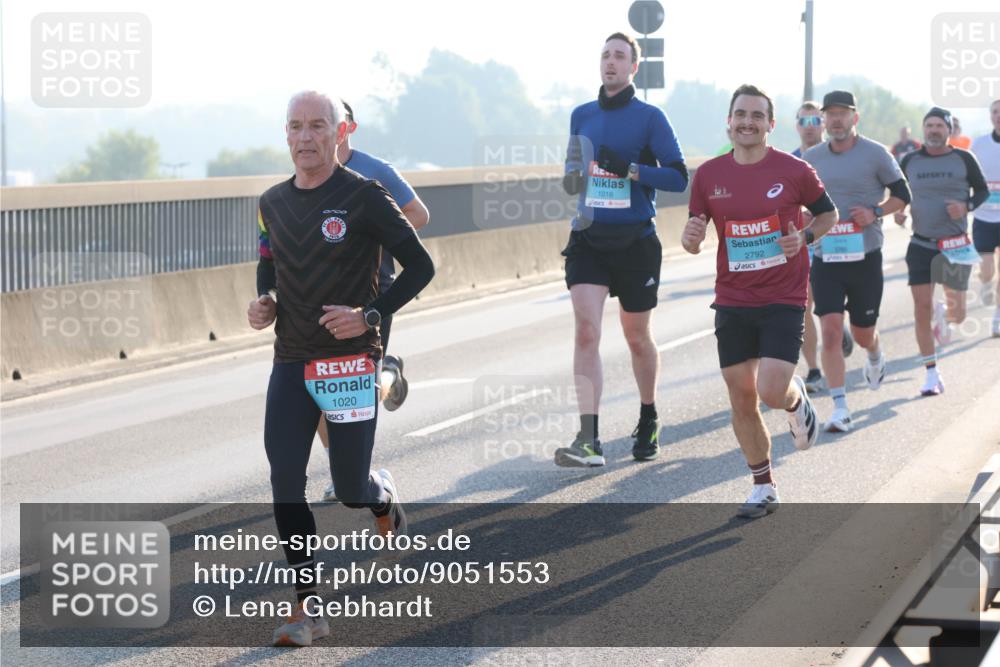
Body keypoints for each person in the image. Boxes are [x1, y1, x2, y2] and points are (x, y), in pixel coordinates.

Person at [248, 91, 434, 647]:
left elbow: (422, 266)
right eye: (296, 127)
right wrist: (265, 302)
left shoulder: (366, 197)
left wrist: (370, 315)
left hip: (350, 362)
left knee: (349, 487)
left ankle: (381, 496)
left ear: (338, 133)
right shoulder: (271, 202)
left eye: (317, 127)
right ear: (286, 135)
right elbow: (268, 262)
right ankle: (308, 609)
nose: (306, 137)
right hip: (291, 358)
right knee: (285, 480)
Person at [683, 84, 837, 518]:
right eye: (740, 114)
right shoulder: (709, 175)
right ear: (729, 122)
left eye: (757, 115)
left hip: (783, 295)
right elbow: (694, 235)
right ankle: (763, 484)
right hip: (732, 297)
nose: (747, 122)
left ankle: (794, 401)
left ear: (770, 124)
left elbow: (829, 214)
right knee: (741, 397)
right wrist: (690, 239)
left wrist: (804, 237)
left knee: (770, 391)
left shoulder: (794, 169)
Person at [554, 32, 688, 466]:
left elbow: (677, 177)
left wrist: (628, 169)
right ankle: (589, 439)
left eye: (619, 56)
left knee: (635, 337)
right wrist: (574, 178)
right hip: (590, 239)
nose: (610, 62)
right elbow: (574, 169)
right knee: (586, 330)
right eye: (605, 55)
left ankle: (648, 416)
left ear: (634, 67)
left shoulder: (650, 118)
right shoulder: (582, 115)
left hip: (635, 243)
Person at [317, 100, 431, 503]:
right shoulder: (311, 170)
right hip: (323, 292)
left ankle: (388, 375)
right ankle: (346, 470)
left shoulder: (376, 170)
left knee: (356, 388)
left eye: (328, 122)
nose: (318, 131)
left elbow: (418, 213)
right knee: (318, 386)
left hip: (372, 289)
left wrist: (374, 234)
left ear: (348, 128)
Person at [803, 90, 911, 433]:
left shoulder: (876, 154)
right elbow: (803, 200)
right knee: (831, 332)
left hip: (865, 256)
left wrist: (876, 211)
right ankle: (840, 407)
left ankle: (876, 354)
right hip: (826, 256)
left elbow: (903, 195)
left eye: (842, 114)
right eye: (830, 114)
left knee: (863, 334)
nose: (836, 120)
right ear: (824, 120)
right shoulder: (812, 156)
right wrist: (807, 215)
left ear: (855, 118)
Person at [896, 107, 990, 395]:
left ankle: (945, 313)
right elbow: (899, 191)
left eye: (939, 125)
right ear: (923, 129)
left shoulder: (964, 158)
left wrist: (967, 207)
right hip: (921, 243)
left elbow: (983, 191)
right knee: (920, 309)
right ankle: (931, 373)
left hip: (955, 246)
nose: (934, 130)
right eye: (929, 125)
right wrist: (898, 211)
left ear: (949, 130)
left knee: (959, 315)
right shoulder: (909, 159)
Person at [791, 101, 855, 392]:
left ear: (824, 124)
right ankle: (814, 370)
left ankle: (836, 321)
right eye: (803, 122)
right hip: (803, 246)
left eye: (814, 120)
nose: (809, 127)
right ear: (796, 127)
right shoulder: (788, 162)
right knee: (803, 307)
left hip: (839, 243)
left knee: (828, 306)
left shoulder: (837, 156)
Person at [971, 99, 1000, 336]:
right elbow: (967, 175)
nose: (999, 115)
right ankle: (986, 281)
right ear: (990, 116)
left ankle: (998, 317)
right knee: (988, 270)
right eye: (995, 112)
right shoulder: (979, 144)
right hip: (983, 217)